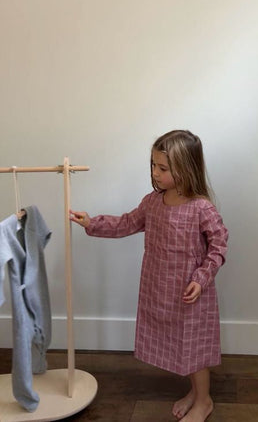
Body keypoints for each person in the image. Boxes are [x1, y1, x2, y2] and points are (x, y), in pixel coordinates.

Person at [70, 130, 228, 422]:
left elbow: (218, 245)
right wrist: (92, 223)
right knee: (180, 345)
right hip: (161, 288)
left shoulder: (201, 208)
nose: (155, 173)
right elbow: (127, 223)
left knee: (195, 348)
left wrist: (202, 278)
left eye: (163, 168)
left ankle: (204, 401)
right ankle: (194, 392)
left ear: (186, 168)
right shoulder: (153, 202)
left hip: (191, 292)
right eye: (153, 165)